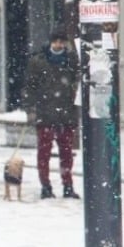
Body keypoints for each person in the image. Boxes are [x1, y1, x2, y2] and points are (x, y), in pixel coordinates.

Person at [23, 29, 80, 200]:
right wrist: (31, 110)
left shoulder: (71, 61)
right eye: (56, 41)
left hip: (65, 114)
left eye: (62, 41)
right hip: (45, 113)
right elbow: (29, 87)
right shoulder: (38, 62)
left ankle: (67, 185)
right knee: (44, 153)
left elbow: (77, 84)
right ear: (51, 42)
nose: (58, 45)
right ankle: (45, 185)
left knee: (67, 153)